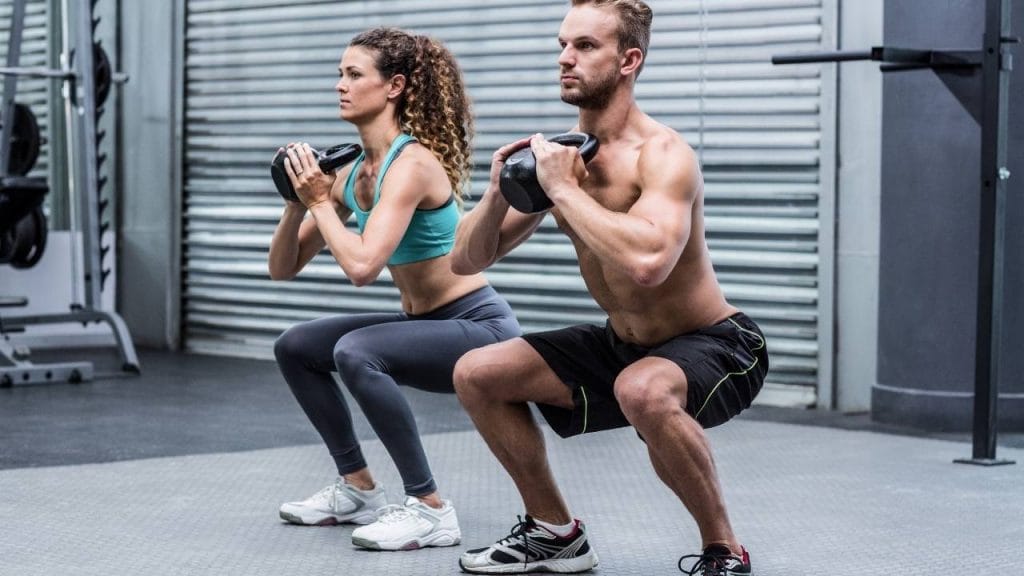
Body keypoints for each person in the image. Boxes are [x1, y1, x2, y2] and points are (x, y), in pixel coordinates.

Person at [450, 1, 767, 574]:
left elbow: (649, 263)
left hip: (717, 344)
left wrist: (564, 191)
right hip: (623, 344)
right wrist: (497, 192)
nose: (566, 59)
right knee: (477, 373)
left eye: (586, 46)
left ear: (630, 59)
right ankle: (554, 532)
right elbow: (468, 260)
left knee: (642, 390)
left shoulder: (664, 155)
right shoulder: (565, 160)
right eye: (562, 46)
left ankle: (725, 549)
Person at [268, 27, 520, 552]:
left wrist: (318, 202)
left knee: (357, 351)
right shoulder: (352, 172)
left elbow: (361, 268)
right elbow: (283, 267)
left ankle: (430, 509)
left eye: (354, 74)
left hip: (476, 327)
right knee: (296, 345)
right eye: (340, 73)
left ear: (394, 87)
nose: (340, 85)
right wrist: (298, 203)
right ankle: (358, 488)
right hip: (426, 324)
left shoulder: (413, 165)